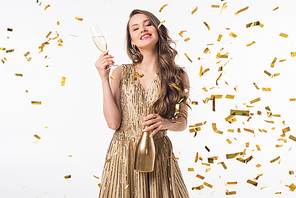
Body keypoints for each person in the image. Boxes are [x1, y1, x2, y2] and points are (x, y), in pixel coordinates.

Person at [95, 9, 190, 198]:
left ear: (158, 30)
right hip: (123, 156)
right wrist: (104, 79)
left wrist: (167, 123)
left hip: (159, 156)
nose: (143, 29)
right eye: (135, 28)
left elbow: (182, 121)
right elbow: (113, 124)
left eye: (148, 24)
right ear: (132, 41)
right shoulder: (121, 72)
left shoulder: (178, 76)